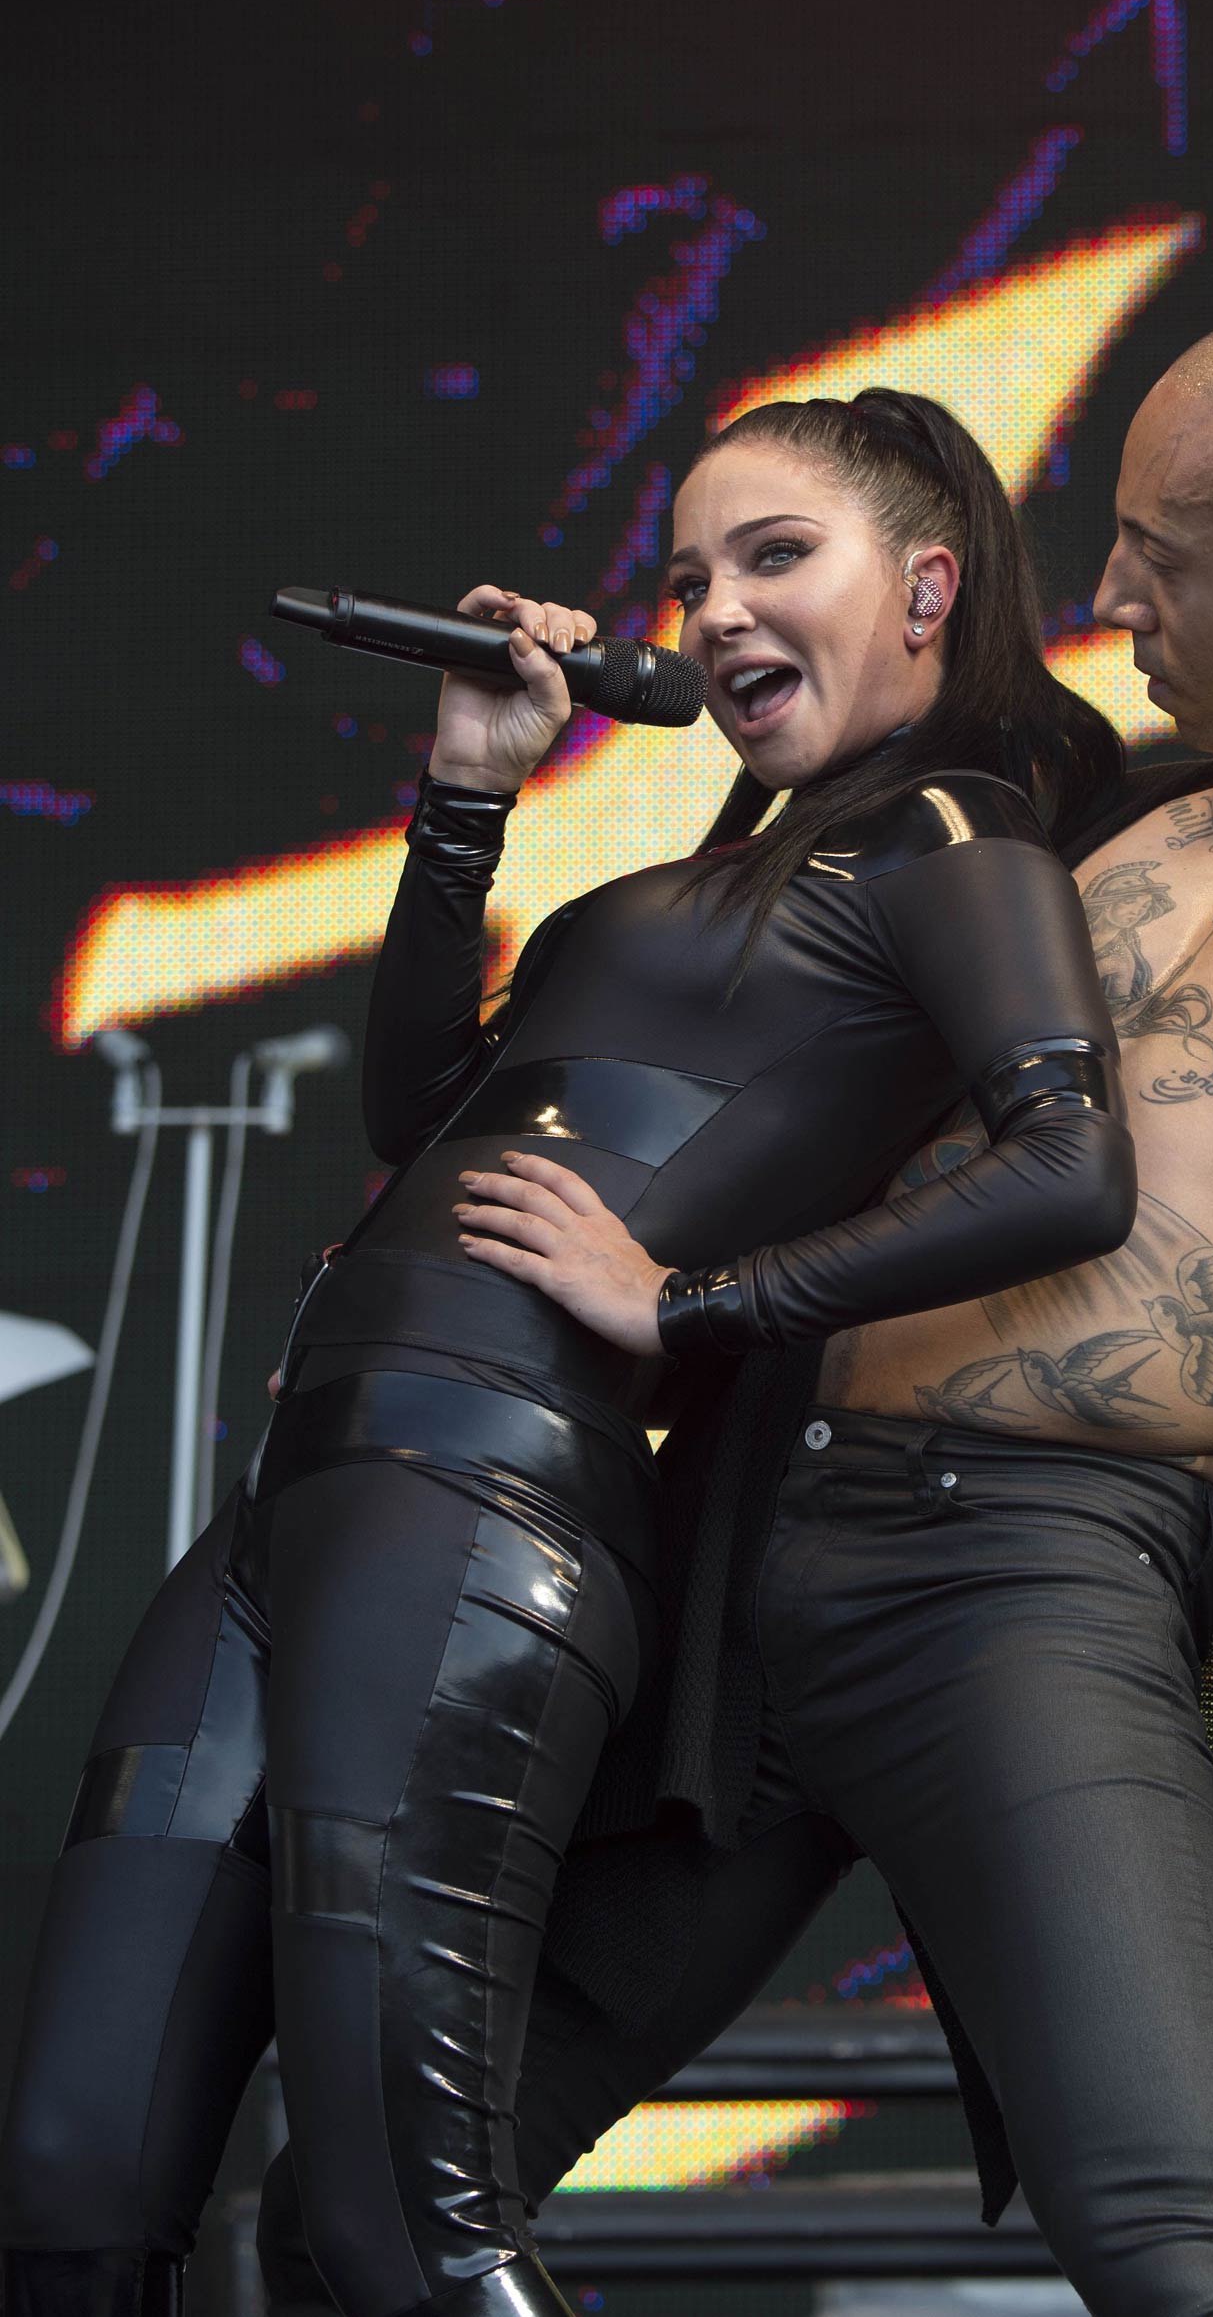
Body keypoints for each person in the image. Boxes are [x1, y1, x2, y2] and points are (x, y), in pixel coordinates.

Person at [260, 295, 1213, 2315]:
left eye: (1162, 548)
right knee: (374, 2191)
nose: (1111, 588)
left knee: (1179, 2250)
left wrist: (689, 1292)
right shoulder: (1074, 800)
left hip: (1029, 1590)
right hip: (750, 1543)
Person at [0, 391, 1140, 2317]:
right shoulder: (702, 875)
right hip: (305, 1510)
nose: (713, 612)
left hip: (481, 1510)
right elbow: (413, 1102)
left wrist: (698, 1307)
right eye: (691, 575)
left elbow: (1074, 1160)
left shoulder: (956, 840)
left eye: (779, 559)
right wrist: (468, 796)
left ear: (931, 584)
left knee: (393, 2217)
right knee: (72, 2167)